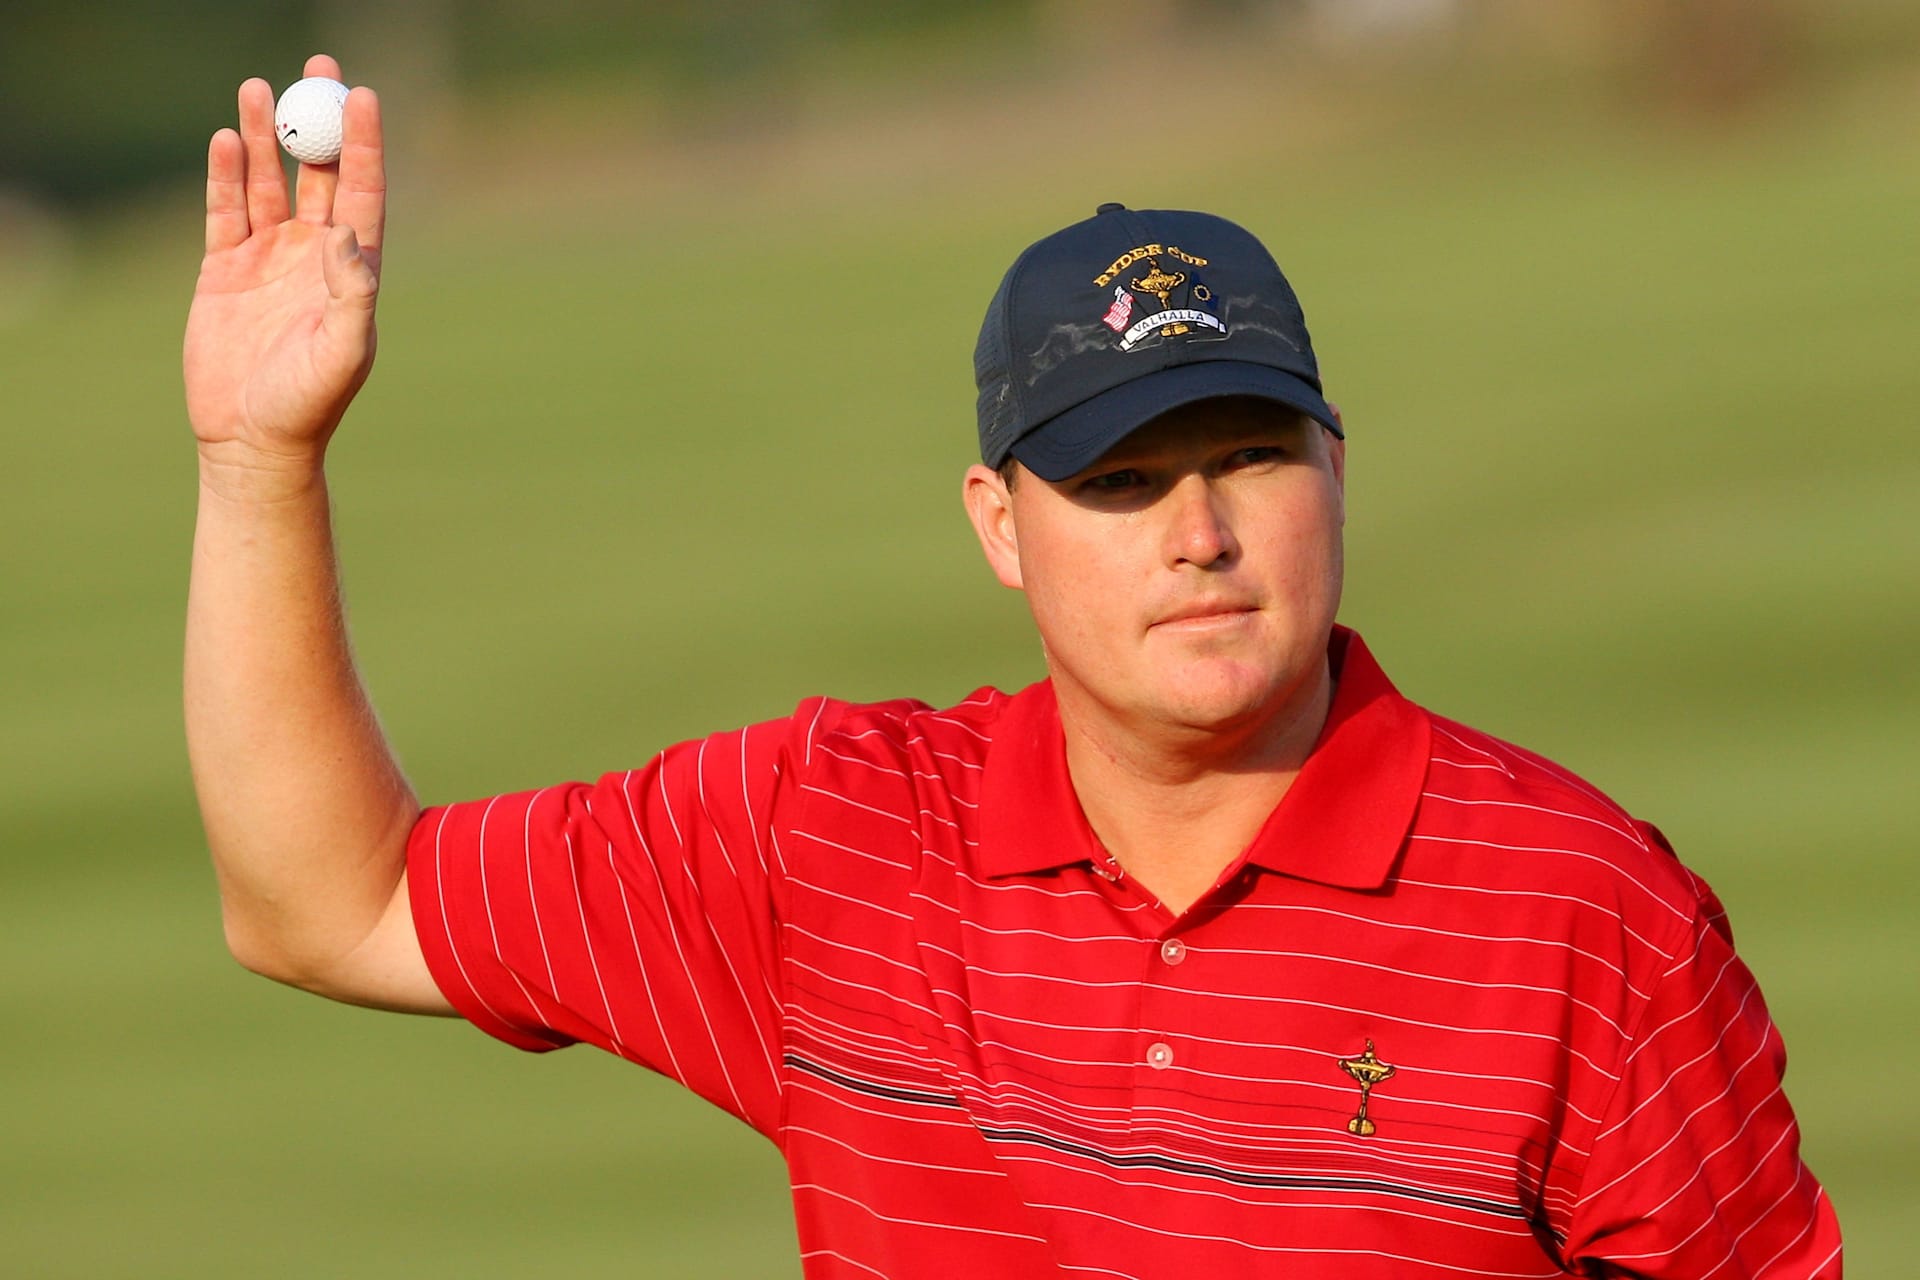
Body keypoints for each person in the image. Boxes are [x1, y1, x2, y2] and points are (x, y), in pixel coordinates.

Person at [184, 56, 1841, 1278]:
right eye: (1118, 481)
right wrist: (261, 461)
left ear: (1338, 467)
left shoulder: (1582, 909)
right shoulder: (829, 834)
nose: (1198, 531)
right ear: (999, 523)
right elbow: (326, 904)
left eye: (1250, 457)